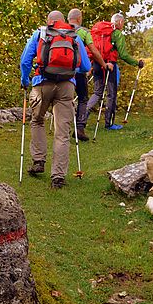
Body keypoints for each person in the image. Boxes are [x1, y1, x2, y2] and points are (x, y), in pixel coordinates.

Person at [20, 10, 91, 189]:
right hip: (66, 86)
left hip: (42, 82)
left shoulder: (41, 33)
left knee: (37, 120)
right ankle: (58, 177)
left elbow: (25, 61)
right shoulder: (74, 36)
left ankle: (38, 161)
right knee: (62, 132)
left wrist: (25, 80)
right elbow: (86, 66)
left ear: (49, 21)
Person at [86, 12, 144, 130]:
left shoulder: (99, 32)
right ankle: (109, 124)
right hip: (110, 65)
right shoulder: (117, 34)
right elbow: (123, 54)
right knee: (111, 94)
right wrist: (136, 63)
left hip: (97, 63)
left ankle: (82, 118)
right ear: (120, 22)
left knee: (97, 92)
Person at [67, 8, 109, 141]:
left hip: (63, 72)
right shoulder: (84, 32)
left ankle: (63, 127)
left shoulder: (61, 30)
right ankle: (79, 128)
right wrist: (103, 64)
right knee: (83, 98)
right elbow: (94, 51)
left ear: (68, 19)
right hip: (78, 71)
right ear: (79, 18)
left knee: (64, 99)